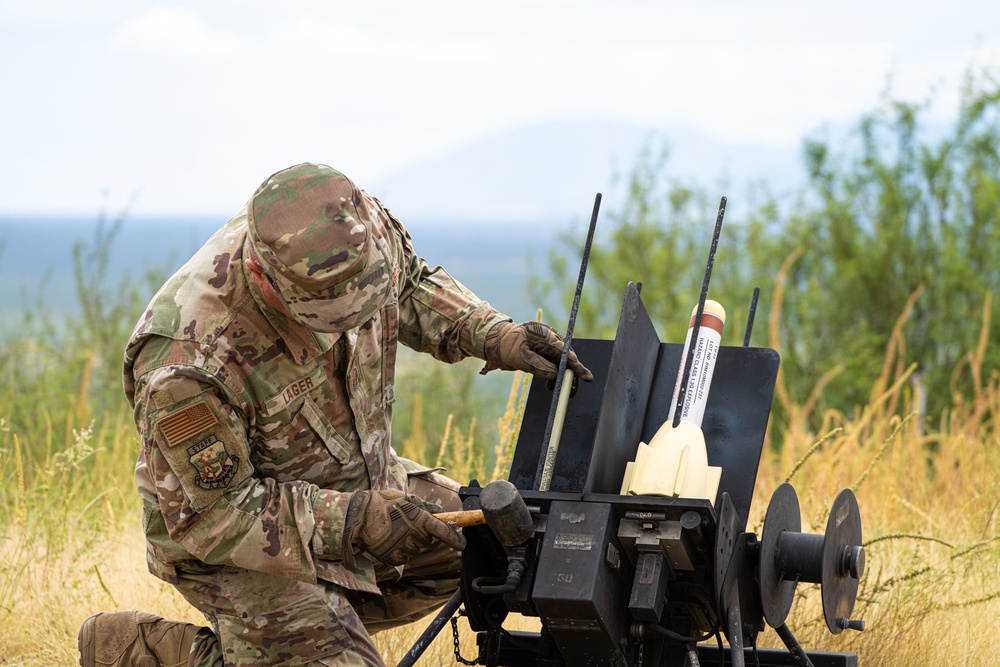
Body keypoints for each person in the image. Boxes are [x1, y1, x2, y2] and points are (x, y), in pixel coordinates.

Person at [78, 163, 592, 667]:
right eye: (325, 318)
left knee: (485, 552)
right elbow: (216, 515)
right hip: (238, 544)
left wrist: (493, 335)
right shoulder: (188, 358)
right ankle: (161, 651)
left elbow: (410, 287)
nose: (346, 327)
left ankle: (298, 635)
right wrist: (349, 523)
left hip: (360, 489)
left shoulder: (357, 229)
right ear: (265, 277)